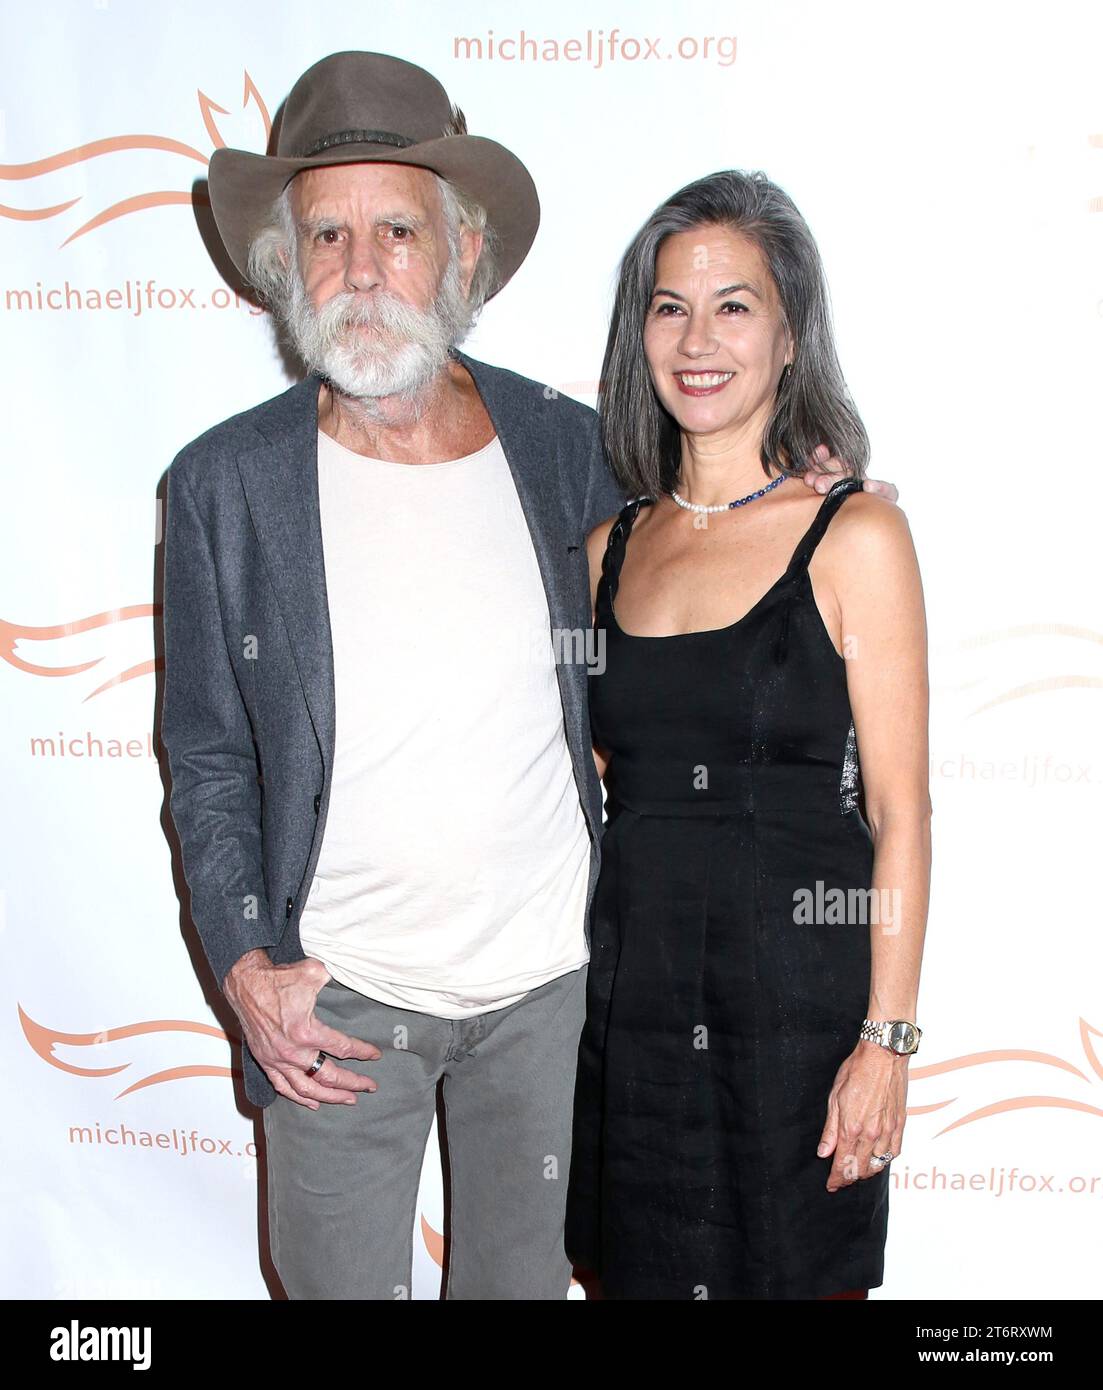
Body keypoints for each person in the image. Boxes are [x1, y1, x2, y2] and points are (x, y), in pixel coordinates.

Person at [160, 52, 899, 1301]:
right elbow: (207, 755)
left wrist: (815, 489)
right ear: (284, 266)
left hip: (560, 995)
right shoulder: (224, 486)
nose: (360, 268)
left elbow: (704, 544)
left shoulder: (564, 447)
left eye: (398, 228)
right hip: (340, 1005)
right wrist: (245, 965)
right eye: (326, 233)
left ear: (462, 255)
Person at [565, 169, 931, 1300]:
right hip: (634, 1027)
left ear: (787, 336)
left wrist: (885, 1042)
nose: (696, 337)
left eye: (734, 303)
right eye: (669, 306)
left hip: (796, 1029)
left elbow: (902, 809)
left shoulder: (854, 535)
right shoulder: (602, 554)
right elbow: (593, 791)